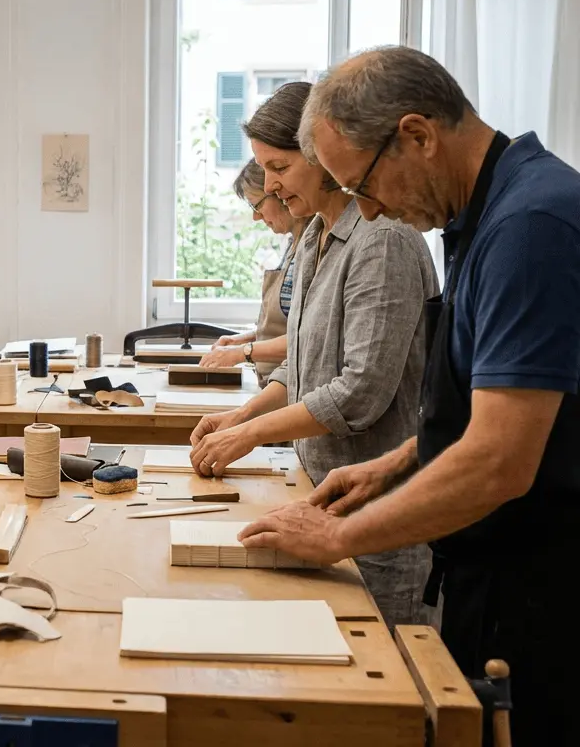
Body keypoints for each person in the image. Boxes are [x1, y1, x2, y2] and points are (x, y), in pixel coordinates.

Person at [239, 46, 580, 744]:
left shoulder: (530, 228)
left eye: (362, 184)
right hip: (493, 569)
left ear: (418, 135)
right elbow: (489, 405)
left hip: (541, 589)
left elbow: (500, 460)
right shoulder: (486, 216)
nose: (366, 209)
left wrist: (337, 537)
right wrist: (396, 462)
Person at [190, 81, 438, 629]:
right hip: (316, 500)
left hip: (374, 522)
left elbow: (360, 391)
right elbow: (301, 363)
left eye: (278, 167)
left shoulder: (383, 240)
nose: (270, 187)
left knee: (374, 666)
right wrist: (242, 417)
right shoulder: (313, 238)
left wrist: (251, 435)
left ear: (322, 153)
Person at [200, 158, 309, 382]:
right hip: (273, 381)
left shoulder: (313, 248)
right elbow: (286, 327)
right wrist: (244, 339)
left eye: (256, 205)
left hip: (290, 385)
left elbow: (308, 338)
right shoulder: (293, 244)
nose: (256, 216)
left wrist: (242, 352)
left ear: (279, 193)